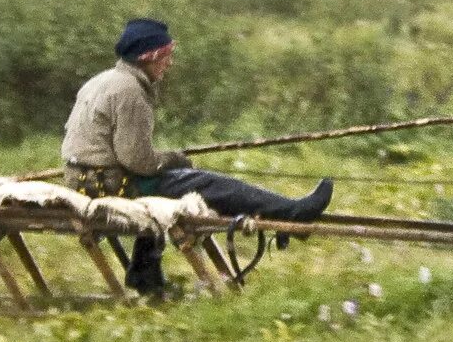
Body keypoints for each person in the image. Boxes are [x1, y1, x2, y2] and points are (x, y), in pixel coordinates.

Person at [62, 18, 333, 294]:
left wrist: (168, 164)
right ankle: (293, 212)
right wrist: (175, 159)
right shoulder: (129, 91)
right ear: (149, 57)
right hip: (110, 185)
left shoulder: (102, 80)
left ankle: (145, 277)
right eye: (166, 57)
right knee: (206, 183)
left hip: (83, 180)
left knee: (173, 185)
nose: (169, 63)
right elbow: (138, 161)